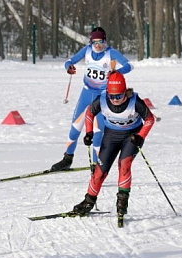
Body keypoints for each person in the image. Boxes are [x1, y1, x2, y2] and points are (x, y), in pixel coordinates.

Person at [51, 27, 133, 172]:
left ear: (105, 40)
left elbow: (129, 65)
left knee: (98, 130)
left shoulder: (111, 53)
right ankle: (67, 158)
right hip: (86, 93)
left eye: (100, 41)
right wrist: (68, 67)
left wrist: (116, 72)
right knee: (75, 127)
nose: (97, 45)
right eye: (94, 42)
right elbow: (70, 60)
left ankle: (96, 165)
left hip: (102, 96)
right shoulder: (87, 50)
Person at [72, 72, 155, 216]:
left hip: (131, 136)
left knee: (124, 164)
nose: (115, 100)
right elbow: (89, 113)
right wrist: (89, 132)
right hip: (111, 136)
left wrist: (141, 136)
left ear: (125, 92)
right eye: (112, 96)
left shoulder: (135, 101)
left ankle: (122, 200)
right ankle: (88, 201)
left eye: (119, 96)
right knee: (99, 171)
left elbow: (150, 119)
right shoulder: (102, 99)